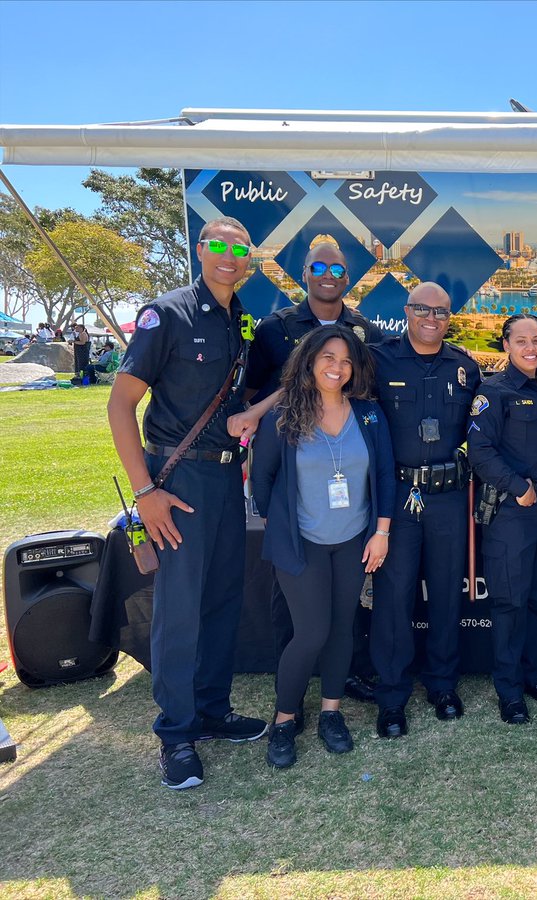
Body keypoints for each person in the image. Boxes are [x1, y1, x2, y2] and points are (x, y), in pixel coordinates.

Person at [108, 215, 267, 790]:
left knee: (224, 598)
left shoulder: (242, 320)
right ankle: (176, 735)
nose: (229, 255)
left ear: (250, 257)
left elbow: (243, 399)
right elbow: (120, 404)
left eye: (240, 247)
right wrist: (146, 491)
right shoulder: (167, 313)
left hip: (227, 481)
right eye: (219, 245)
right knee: (178, 609)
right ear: (200, 250)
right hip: (176, 482)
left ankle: (212, 710)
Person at [230, 240, 385, 711]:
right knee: (295, 616)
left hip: (347, 510)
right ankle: (289, 701)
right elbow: (251, 394)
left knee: (343, 618)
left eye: (337, 267)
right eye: (318, 266)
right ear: (303, 272)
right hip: (298, 509)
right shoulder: (276, 329)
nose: (328, 273)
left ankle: (339, 691)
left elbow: (367, 397)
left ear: (348, 276)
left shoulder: (362, 329)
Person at [250, 325, 396, 768]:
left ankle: (331, 713)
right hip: (303, 544)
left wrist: (381, 532)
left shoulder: (368, 415)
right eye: (328, 357)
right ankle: (284, 719)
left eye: (346, 360)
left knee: (340, 630)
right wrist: (285, 525)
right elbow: (263, 481)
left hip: (354, 540)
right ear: (310, 361)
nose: (337, 367)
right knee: (311, 632)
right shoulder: (285, 417)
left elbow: (386, 475)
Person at [369, 282, 481, 737]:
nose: (431, 318)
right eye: (422, 309)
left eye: (440, 311)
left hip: (449, 497)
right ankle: (392, 695)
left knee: (445, 594)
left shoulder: (466, 367)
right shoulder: (378, 360)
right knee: (394, 599)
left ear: (449, 317)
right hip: (397, 496)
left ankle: (442, 684)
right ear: (407, 311)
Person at [467, 314, 537, 724]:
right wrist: (518, 487)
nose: (532, 348)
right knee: (510, 604)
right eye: (522, 340)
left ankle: (532, 676)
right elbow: (480, 452)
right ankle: (509, 691)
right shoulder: (493, 391)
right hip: (512, 513)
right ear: (505, 345)